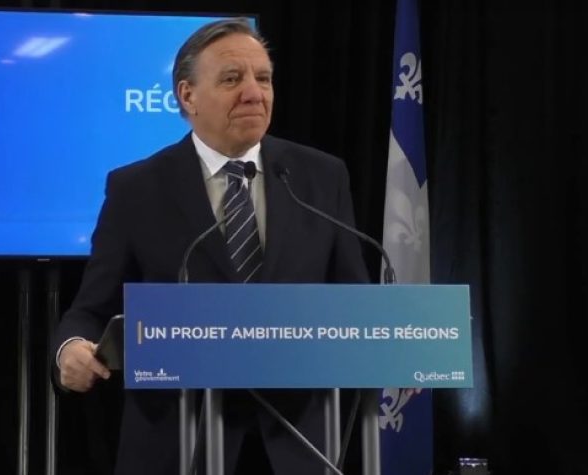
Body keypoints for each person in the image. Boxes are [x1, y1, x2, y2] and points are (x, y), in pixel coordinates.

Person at [51, 17, 369, 474]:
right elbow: (90, 308)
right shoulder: (137, 188)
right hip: (177, 441)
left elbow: (355, 303)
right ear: (187, 95)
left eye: (263, 78)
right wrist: (71, 348)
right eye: (232, 79)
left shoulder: (321, 176)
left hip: (297, 444)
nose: (254, 93)